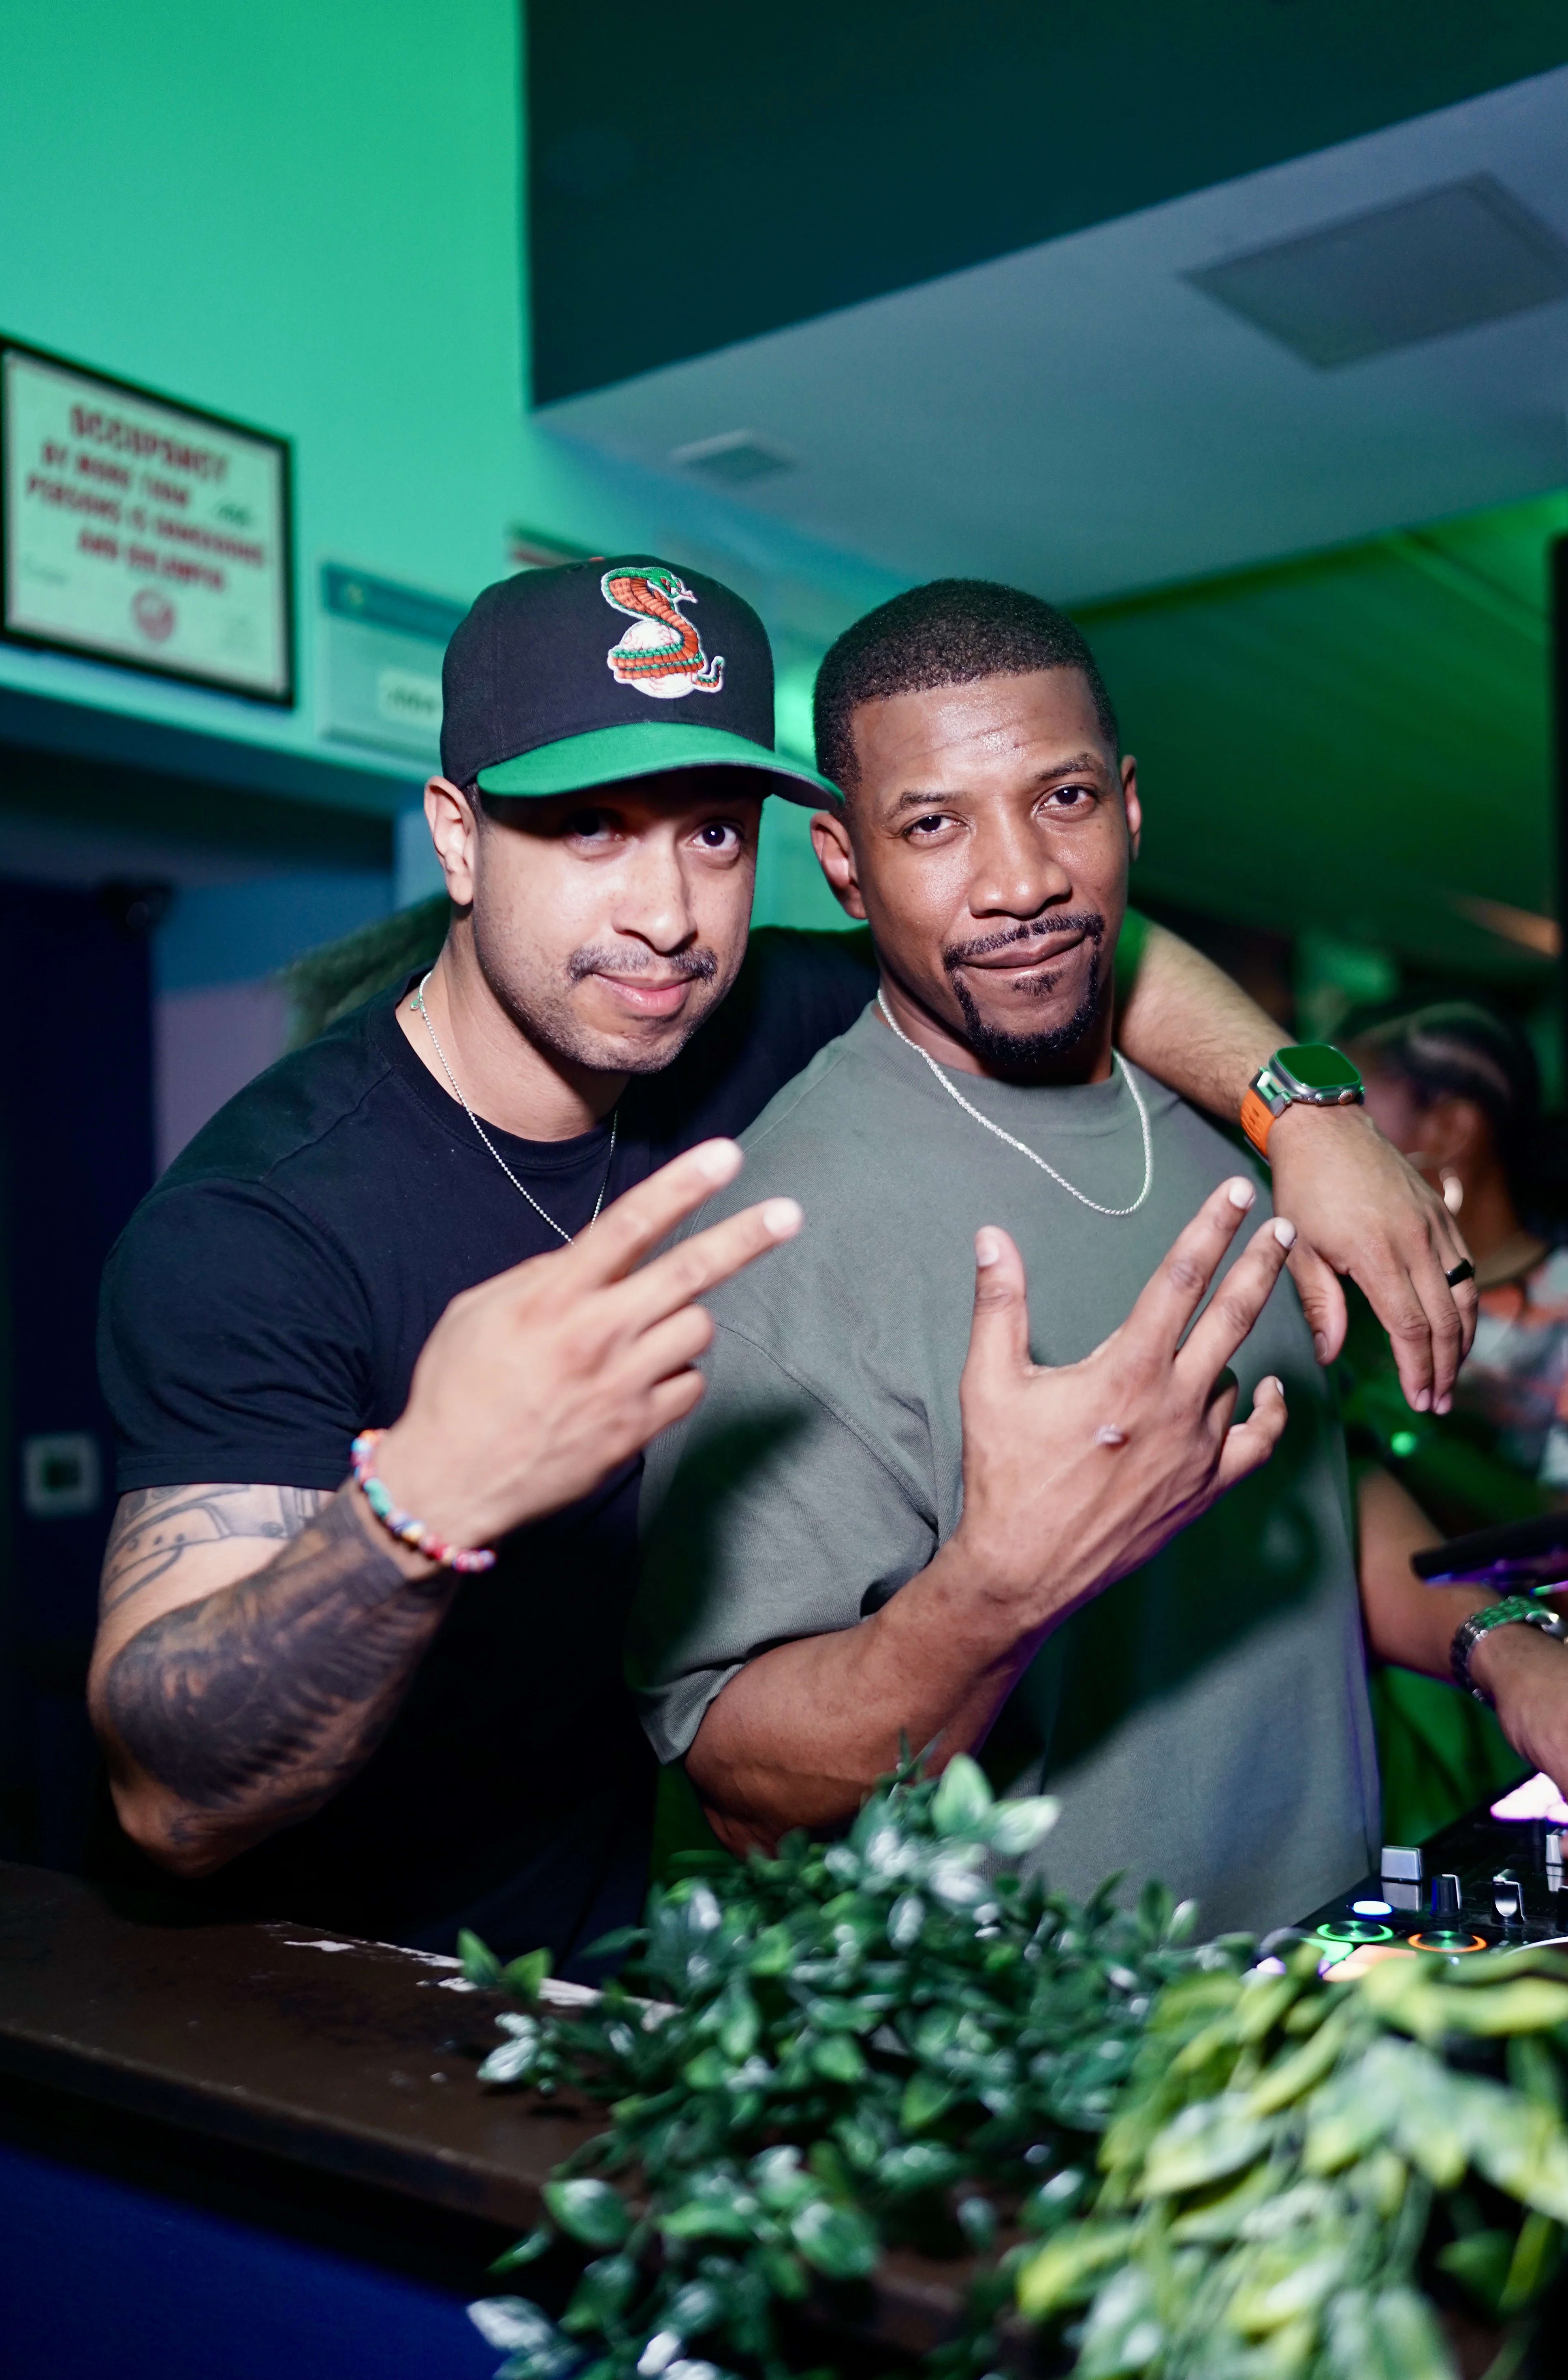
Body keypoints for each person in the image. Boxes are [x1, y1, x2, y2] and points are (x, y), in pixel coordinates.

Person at [91, 559, 1478, 1973]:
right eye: (589, 829)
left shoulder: (727, 1013)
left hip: (653, 1971)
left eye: (711, 833)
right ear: (458, 839)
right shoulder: (264, 1229)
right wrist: (419, 1504)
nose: (666, 912)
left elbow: (1061, 933)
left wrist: (1306, 1110)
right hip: (363, 1998)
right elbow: (171, 1806)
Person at [630, 580, 1568, 1933]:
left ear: (1130, 806)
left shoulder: (1238, 1122)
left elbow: (1297, 1473)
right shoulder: (784, 1235)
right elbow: (748, 1790)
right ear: (845, 865)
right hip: (1050, 2044)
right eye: (933, 825)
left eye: (1064, 798)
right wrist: (1006, 1583)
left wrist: (1504, 1650)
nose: (1023, 881)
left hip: (1325, 1984)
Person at [1340, 999, 1568, 1845]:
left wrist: (1387, 1425)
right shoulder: (1340, 1297)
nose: (1324, 1136)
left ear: (1451, 1129)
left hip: (1515, 1730)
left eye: (1352, 1107)